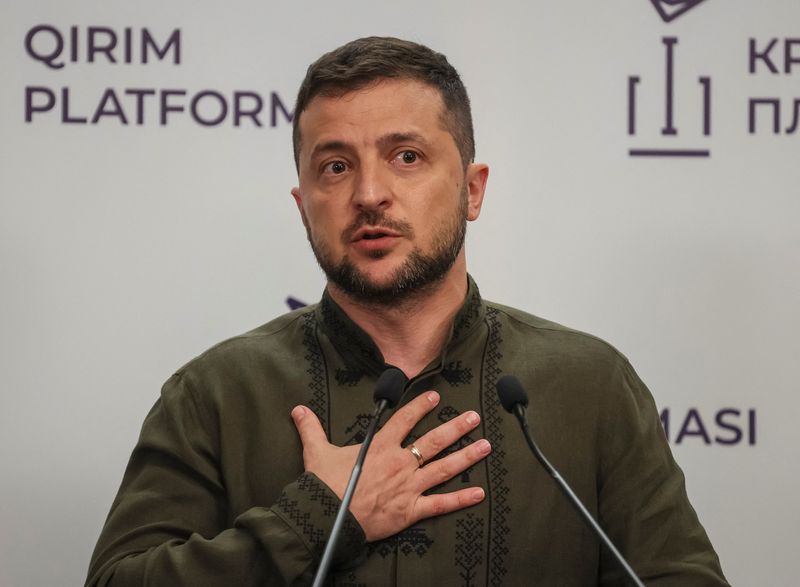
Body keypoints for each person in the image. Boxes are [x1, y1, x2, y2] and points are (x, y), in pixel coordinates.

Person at [86, 37, 729, 586]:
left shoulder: (589, 385)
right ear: (303, 204)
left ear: (472, 191)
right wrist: (317, 516)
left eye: (407, 157)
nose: (369, 194)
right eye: (335, 167)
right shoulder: (215, 392)